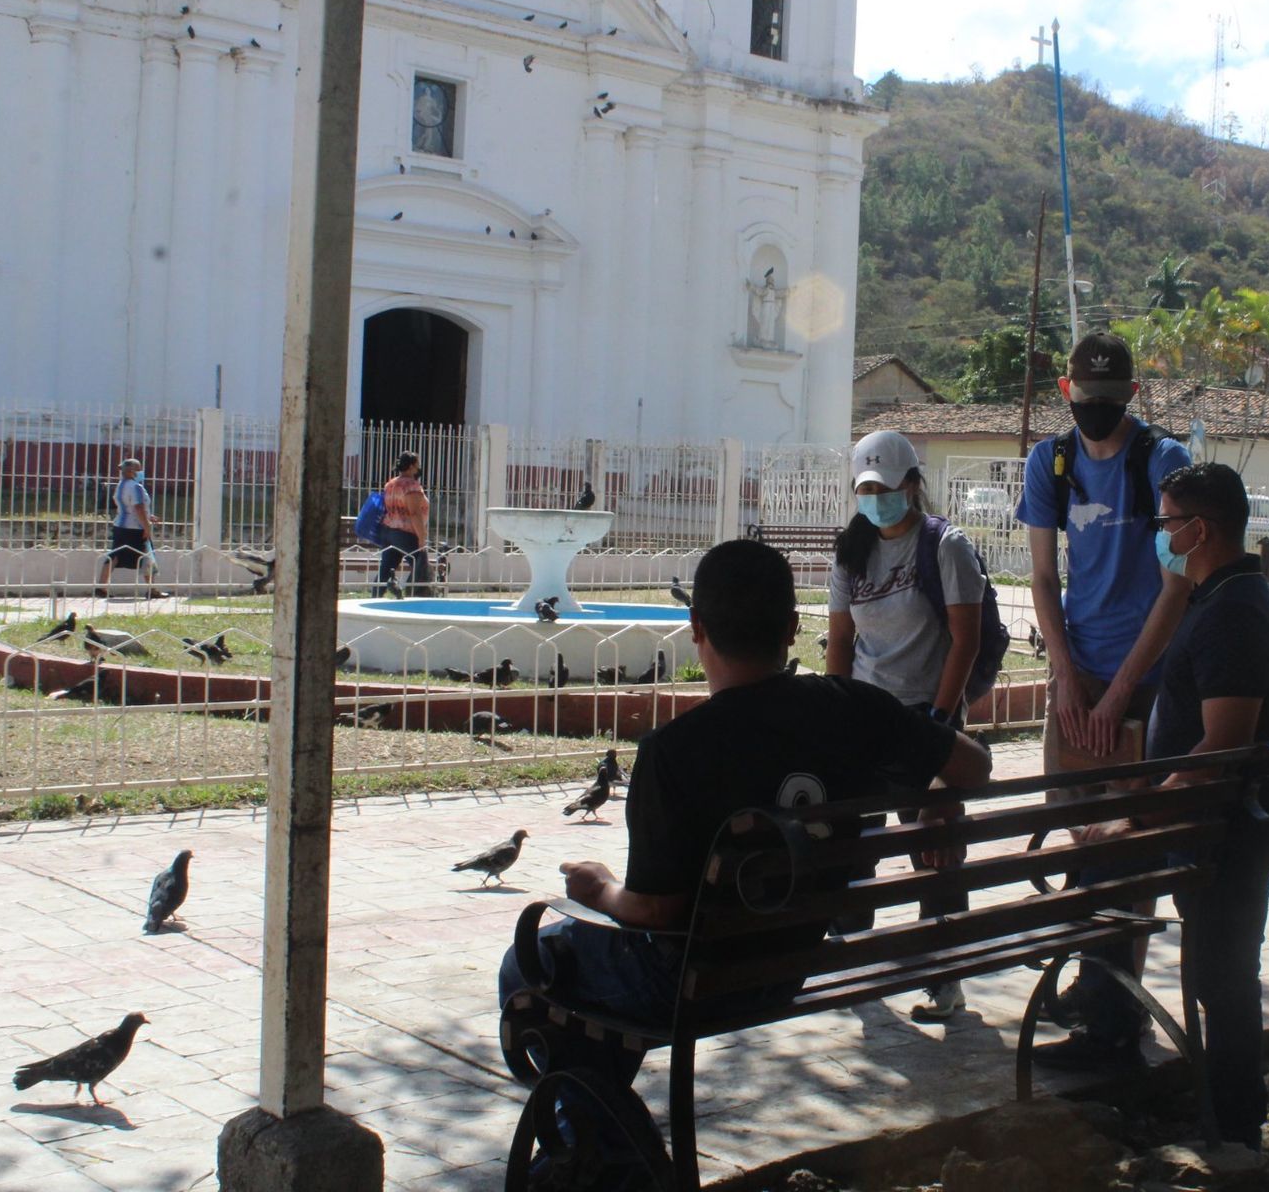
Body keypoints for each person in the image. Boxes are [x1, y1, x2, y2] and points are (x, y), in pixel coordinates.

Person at [497, 537, 992, 1070]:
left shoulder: (673, 752)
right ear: (791, 629)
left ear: (697, 628)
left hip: (694, 981)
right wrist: (938, 796)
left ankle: (591, 1136)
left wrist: (599, 888)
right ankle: (601, 1131)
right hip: (790, 963)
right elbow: (974, 765)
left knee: (531, 963)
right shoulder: (855, 709)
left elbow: (652, 911)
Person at [1037, 462, 1269, 1156]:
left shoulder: (1235, 613)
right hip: (1203, 828)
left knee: (1222, 976)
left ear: (1199, 530)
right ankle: (1197, 1090)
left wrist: (1138, 813)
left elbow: (1224, 742)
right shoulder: (1216, 598)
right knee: (1210, 971)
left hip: (1224, 833)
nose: (1158, 536)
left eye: (1164, 524)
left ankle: (1234, 1124)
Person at [1016, 331, 1192, 1019]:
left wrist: (1121, 689)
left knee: (1131, 837)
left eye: (1109, 399)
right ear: (1066, 393)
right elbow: (1040, 575)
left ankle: (1112, 1002)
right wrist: (1067, 676)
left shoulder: (1161, 461)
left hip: (1147, 677)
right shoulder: (1050, 462)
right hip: (1080, 669)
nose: (1096, 409)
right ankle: (1093, 983)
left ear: (1132, 397)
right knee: (1082, 831)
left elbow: (1175, 588)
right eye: (1086, 398)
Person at [826, 428, 985, 1020]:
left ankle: (945, 973)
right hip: (866, 713)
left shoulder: (945, 546)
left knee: (935, 844)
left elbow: (964, 640)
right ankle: (850, 952)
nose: (876, 498)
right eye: (865, 488)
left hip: (925, 714)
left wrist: (942, 726)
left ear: (912, 486)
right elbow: (841, 640)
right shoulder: (851, 550)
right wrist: (837, 710)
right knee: (851, 839)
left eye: (886, 487)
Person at [95, 457, 169, 599]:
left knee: (114, 556)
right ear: (132, 471)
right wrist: (147, 527)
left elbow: (129, 507)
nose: (141, 472)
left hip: (121, 526)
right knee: (148, 556)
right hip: (135, 528)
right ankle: (151, 589)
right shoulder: (136, 487)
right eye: (139, 469)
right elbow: (138, 508)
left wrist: (149, 515)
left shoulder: (121, 485)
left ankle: (101, 587)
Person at [376, 451, 431, 598]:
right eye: (417, 464)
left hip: (388, 531)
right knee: (420, 564)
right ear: (412, 466)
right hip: (405, 533)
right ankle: (418, 597)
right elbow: (414, 513)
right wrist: (421, 537)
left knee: (386, 568)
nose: (419, 467)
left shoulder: (390, 484)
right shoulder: (412, 487)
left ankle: (375, 597)